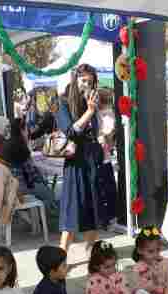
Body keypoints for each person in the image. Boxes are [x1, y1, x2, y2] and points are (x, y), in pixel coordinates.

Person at [56, 64, 111, 256]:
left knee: (93, 206)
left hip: (92, 159)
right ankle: (61, 255)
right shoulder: (63, 102)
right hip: (75, 162)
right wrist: (89, 112)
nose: (86, 84)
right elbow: (70, 130)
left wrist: (103, 136)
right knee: (73, 208)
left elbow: (95, 130)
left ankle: (91, 252)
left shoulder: (94, 102)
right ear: (75, 79)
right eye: (83, 80)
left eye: (90, 81)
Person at [3, 117, 60, 222]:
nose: (28, 132)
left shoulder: (8, 144)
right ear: (21, 130)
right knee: (49, 193)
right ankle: (51, 217)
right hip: (22, 186)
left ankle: (44, 216)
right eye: (26, 129)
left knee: (44, 186)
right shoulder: (21, 147)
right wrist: (42, 182)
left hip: (13, 184)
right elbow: (31, 174)